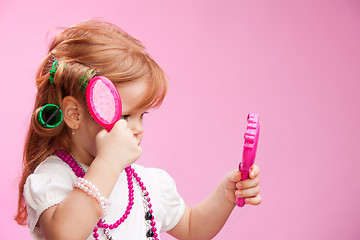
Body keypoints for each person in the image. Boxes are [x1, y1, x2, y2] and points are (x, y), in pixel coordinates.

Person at [15, 20, 262, 240]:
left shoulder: (145, 184)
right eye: (124, 116)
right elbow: (65, 235)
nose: (136, 128)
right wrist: (107, 162)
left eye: (141, 115)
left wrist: (225, 195)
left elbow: (191, 227)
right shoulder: (53, 179)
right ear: (74, 114)